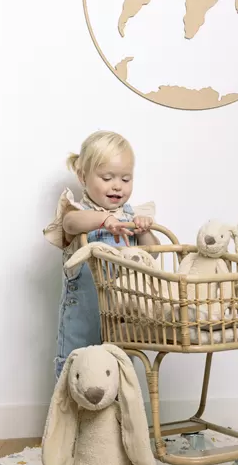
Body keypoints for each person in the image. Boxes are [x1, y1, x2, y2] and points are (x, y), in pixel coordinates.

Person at [43, 130, 157, 380]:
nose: (117, 185)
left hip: (121, 317)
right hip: (84, 316)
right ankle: (71, 404)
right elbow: (70, 223)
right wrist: (104, 220)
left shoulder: (130, 217)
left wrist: (144, 231)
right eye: (107, 178)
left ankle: (117, 406)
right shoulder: (79, 212)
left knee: (117, 371)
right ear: (83, 177)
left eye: (126, 179)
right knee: (76, 370)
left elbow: (152, 255)